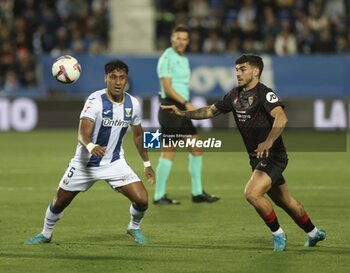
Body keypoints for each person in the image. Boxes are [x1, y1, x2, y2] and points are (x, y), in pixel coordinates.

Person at [161, 54, 326, 251]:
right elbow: (208, 111)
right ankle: (313, 232)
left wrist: (268, 141)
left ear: (256, 71)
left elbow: (281, 118)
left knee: (252, 193)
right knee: (285, 201)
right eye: (237, 69)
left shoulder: (265, 93)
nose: (238, 73)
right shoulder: (234, 95)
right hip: (256, 157)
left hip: (273, 155)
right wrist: (182, 113)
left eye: (243, 69)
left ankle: (278, 235)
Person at [25, 60, 155, 246]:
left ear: (126, 79)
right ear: (105, 79)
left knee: (142, 200)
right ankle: (46, 234)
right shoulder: (95, 101)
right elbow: (82, 133)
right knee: (59, 202)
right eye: (113, 77)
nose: (118, 82)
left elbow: (138, 135)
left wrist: (147, 163)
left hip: (114, 162)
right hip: (84, 164)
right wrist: (91, 146)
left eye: (122, 78)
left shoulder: (133, 103)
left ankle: (134, 227)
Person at [154, 24, 219, 205]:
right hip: (170, 108)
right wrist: (185, 103)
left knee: (196, 148)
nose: (181, 42)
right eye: (178, 38)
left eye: (184, 39)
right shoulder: (167, 57)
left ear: (188, 41)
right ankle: (159, 196)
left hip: (181, 110)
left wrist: (184, 106)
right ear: (171, 39)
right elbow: (167, 88)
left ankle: (197, 193)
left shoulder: (183, 59)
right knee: (169, 152)